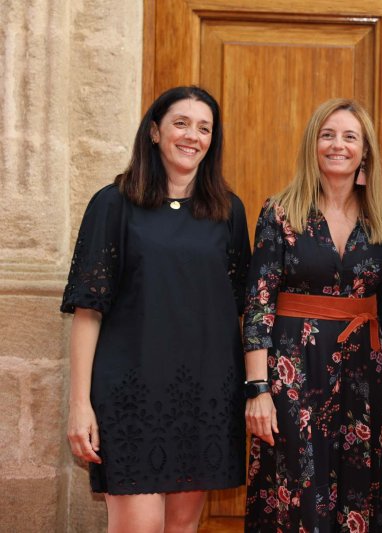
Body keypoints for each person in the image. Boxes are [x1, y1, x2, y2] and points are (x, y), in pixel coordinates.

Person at [62, 86, 251, 532]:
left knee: (182, 528)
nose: (192, 136)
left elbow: (241, 306)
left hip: (206, 395)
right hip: (131, 397)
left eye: (204, 128)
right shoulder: (113, 204)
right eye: (180, 123)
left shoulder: (228, 211)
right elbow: (89, 310)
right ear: (154, 131)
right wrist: (79, 406)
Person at [242, 98, 382, 532]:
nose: (338, 145)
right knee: (294, 494)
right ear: (312, 145)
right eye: (328, 134)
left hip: (363, 375)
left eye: (350, 136)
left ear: (365, 150)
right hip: (292, 372)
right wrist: (258, 390)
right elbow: (258, 304)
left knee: (359, 491)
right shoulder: (279, 212)